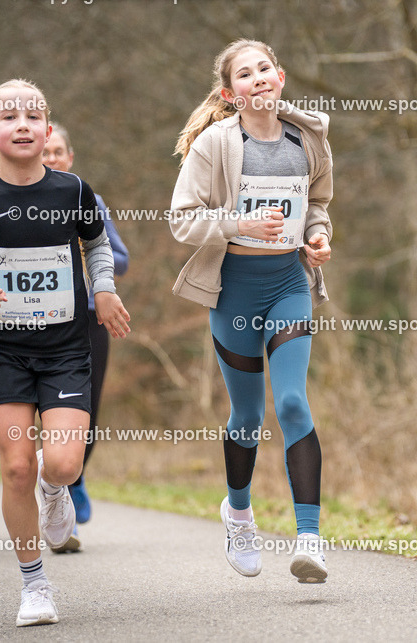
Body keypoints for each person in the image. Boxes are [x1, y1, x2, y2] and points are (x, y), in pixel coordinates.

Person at [0, 79, 130, 627]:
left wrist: (104, 288)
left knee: (65, 464)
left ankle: (57, 489)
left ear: (48, 129)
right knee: (17, 467)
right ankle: (35, 585)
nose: (21, 124)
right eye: (8, 117)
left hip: (66, 348)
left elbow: (97, 245)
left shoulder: (73, 190)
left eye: (33, 116)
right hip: (4, 351)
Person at [170, 39, 334, 583]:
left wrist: (317, 237)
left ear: (281, 76)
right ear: (229, 92)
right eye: (245, 73)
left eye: (264, 68)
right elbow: (182, 220)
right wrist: (240, 225)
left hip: (289, 284)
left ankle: (309, 538)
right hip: (234, 291)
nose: (258, 77)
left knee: (291, 401)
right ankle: (238, 514)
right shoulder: (216, 144)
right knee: (247, 416)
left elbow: (318, 204)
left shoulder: (306, 138)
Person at [42, 122, 129, 553]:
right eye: (45, 151)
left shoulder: (88, 200)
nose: (52, 158)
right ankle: (55, 482)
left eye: (58, 151)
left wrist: (85, 259)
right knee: (49, 411)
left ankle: (74, 476)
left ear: (69, 157)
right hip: (41, 321)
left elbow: (121, 257)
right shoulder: (20, 205)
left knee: (87, 409)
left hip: (91, 319)